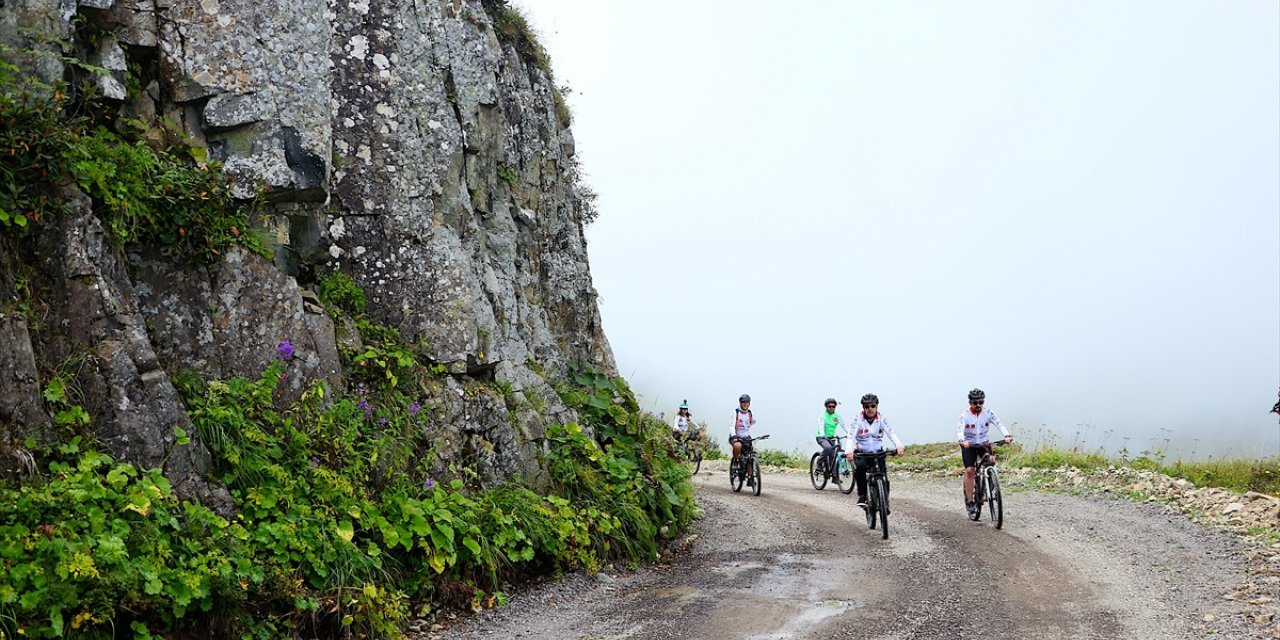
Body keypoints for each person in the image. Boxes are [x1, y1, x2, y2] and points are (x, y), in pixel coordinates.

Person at [957, 388, 1013, 517]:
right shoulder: (964, 415)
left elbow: (999, 424)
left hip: (983, 443)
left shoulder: (988, 413)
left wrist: (1006, 435)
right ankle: (970, 502)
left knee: (991, 461)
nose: (978, 405)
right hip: (969, 445)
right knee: (970, 470)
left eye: (981, 402)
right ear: (970, 402)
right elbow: (960, 429)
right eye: (975, 402)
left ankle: (990, 481)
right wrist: (962, 440)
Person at [845, 393, 904, 508]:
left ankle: (884, 503)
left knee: (883, 476)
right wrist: (849, 451)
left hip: (877, 452)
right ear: (863, 408)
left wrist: (899, 446)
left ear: (877, 406)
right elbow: (851, 436)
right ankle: (862, 496)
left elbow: (890, 432)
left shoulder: (882, 418)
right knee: (860, 469)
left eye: (872, 406)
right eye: (867, 407)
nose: (870, 409)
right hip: (862, 453)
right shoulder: (857, 419)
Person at [729, 394, 758, 486]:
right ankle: (736, 461)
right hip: (736, 437)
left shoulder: (749, 413)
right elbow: (731, 426)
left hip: (746, 438)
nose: (745, 404)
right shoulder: (736, 412)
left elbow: (753, 422)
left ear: (749, 403)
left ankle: (750, 477)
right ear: (740, 403)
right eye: (743, 402)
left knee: (750, 457)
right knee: (737, 446)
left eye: (747, 402)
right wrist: (734, 435)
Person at [815, 398, 844, 480]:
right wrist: (823, 434)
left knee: (833, 456)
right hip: (821, 437)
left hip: (832, 438)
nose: (831, 408)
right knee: (828, 448)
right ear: (826, 407)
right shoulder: (822, 415)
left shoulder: (837, 416)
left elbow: (844, 425)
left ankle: (835, 477)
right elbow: (821, 426)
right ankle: (819, 463)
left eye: (833, 406)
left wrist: (850, 434)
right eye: (829, 406)